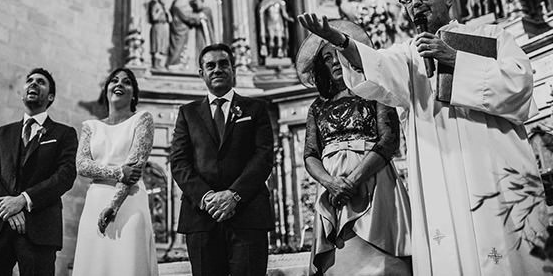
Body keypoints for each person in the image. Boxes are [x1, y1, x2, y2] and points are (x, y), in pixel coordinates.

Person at [298, 0, 552, 275]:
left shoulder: (492, 36)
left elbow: (520, 87)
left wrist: (455, 58)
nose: (415, 3)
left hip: (493, 165)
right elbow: (374, 68)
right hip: (440, 173)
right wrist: (340, 40)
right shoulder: (408, 54)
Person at [295, 20, 411, 275]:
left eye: (338, 53)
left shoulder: (374, 90)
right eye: (327, 58)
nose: (335, 61)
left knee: (383, 264)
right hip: (333, 191)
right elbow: (311, 154)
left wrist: (354, 180)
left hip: (375, 183)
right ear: (321, 67)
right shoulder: (318, 106)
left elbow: (389, 141)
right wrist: (331, 183)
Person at [168, 43, 276, 276]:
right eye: (210, 65)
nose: (217, 69)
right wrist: (206, 197)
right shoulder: (188, 113)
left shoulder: (255, 108)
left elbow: (264, 156)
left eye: (223, 64)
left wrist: (234, 195)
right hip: (201, 217)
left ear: (233, 69)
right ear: (201, 73)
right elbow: (179, 162)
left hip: (247, 214)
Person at [0, 68, 78, 276]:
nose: (33, 84)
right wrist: (6, 208)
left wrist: (23, 200)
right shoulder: (4, 132)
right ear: (22, 93)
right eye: (29, 81)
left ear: (50, 97)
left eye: (40, 82)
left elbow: (64, 176)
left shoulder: (64, 134)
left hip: (39, 229)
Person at [71, 68, 156, 276]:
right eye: (114, 81)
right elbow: (82, 165)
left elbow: (135, 166)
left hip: (130, 200)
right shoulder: (91, 126)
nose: (119, 84)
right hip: (95, 201)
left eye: (127, 82)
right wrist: (119, 172)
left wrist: (114, 205)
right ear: (107, 89)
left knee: (127, 264)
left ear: (134, 94)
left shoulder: (142, 119)